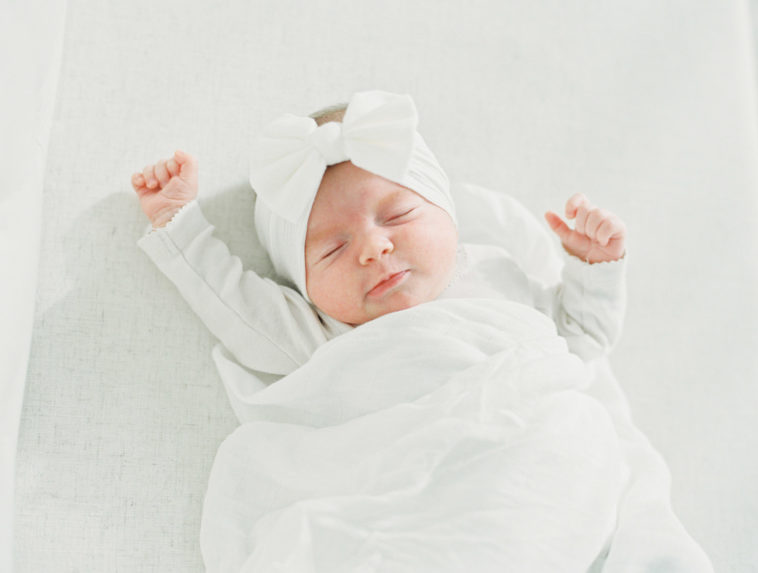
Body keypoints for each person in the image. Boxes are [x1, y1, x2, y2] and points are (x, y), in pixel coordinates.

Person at [131, 90, 627, 391]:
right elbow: (241, 310)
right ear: (302, 286)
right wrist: (180, 225)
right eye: (332, 249)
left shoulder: (496, 273)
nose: (373, 248)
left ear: (445, 212)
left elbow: (583, 338)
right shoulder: (327, 336)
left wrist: (592, 269)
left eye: (399, 215)